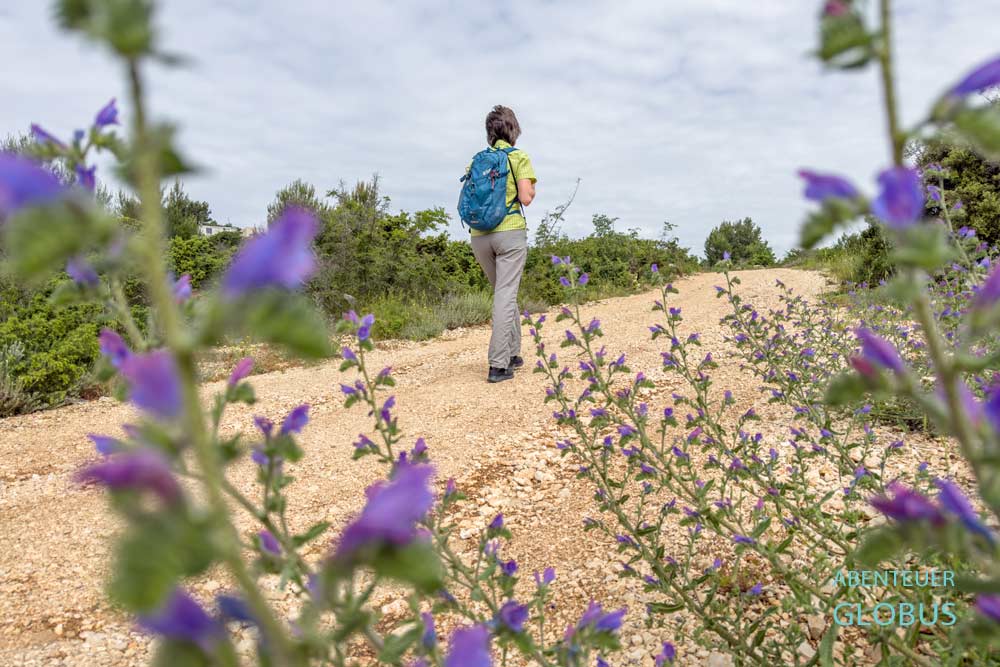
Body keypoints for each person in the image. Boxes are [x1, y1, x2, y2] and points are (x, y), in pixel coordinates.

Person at [469, 105, 537, 383]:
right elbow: (526, 198)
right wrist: (531, 186)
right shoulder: (518, 157)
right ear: (513, 130)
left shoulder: (476, 161)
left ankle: (512, 354)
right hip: (509, 231)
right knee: (506, 294)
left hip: (478, 236)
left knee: (504, 292)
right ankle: (498, 365)